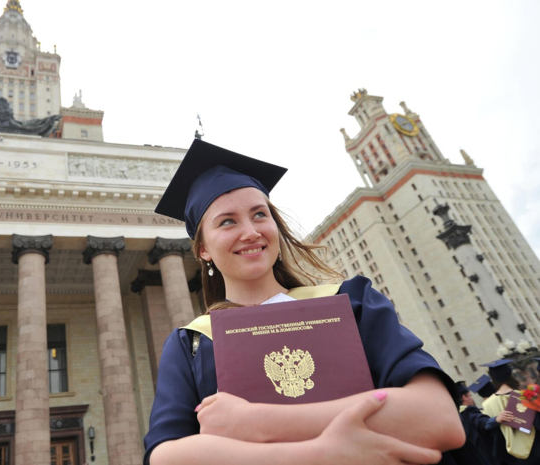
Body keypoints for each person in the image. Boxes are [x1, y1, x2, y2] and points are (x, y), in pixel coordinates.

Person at [144, 140, 465, 464]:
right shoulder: (192, 342)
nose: (251, 232)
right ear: (203, 249)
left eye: (260, 214)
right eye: (227, 221)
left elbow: (439, 417)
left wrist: (259, 422)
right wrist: (321, 452)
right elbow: (164, 457)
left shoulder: (351, 302)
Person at [479, 359, 540, 464]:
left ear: (492, 379)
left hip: (509, 454)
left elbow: (490, 431)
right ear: (510, 375)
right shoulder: (525, 395)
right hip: (535, 448)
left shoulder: (487, 405)